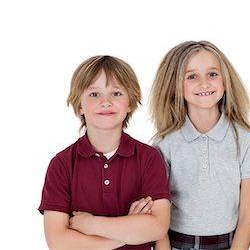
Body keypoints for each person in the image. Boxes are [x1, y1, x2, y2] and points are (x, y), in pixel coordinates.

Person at [38, 55, 171, 250]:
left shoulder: (149, 158)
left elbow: (158, 228)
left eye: (116, 93)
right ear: (79, 106)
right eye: (94, 94)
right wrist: (129, 230)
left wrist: (92, 225)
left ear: (130, 103)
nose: (106, 102)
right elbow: (59, 243)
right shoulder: (61, 164)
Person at [149, 40, 250, 250]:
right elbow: (159, 217)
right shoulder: (164, 144)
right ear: (175, 85)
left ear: (225, 80)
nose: (204, 83)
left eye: (212, 74)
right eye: (192, 76)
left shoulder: (246, 140)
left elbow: (248, 215)